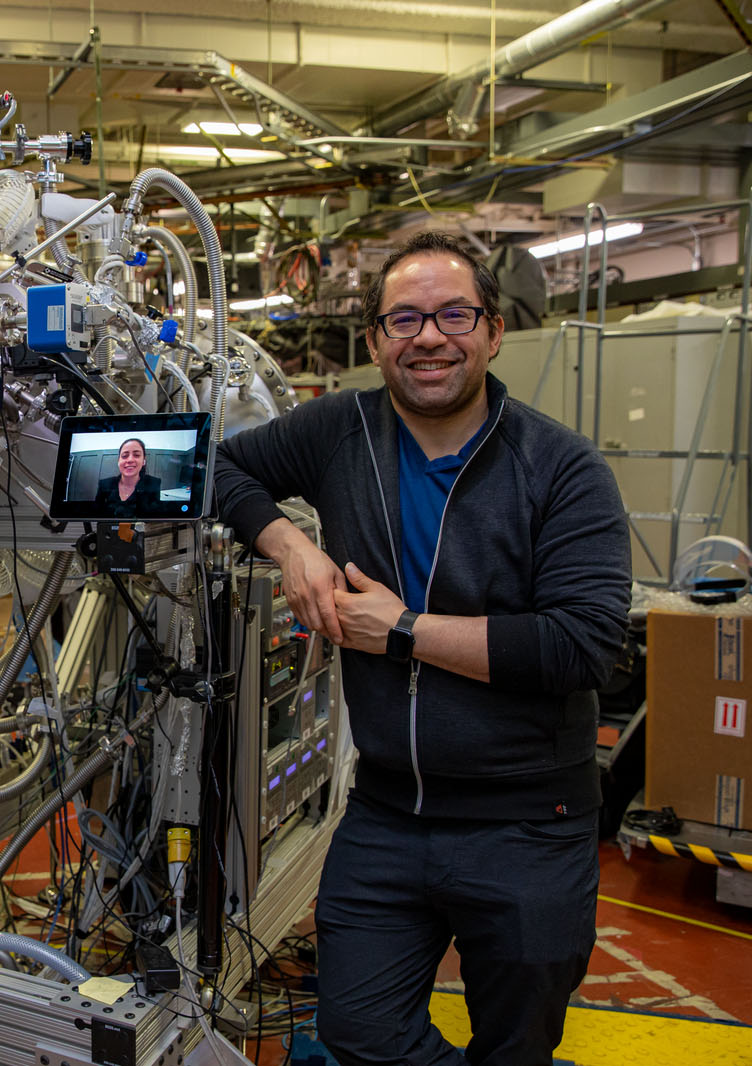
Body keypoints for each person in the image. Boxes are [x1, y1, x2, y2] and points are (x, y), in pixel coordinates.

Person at [211, 231, 630, 1066]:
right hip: (388, 812)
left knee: (517, 1044)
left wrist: (400, 632)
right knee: (358, 1028)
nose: (428, 337)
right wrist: (292, 544)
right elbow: (220, 469)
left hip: (527, 820)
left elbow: (582, 647)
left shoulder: (561, 468)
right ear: (374, 340)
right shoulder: (341, 430)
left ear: (493, 330)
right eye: (404, 319)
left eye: (452, 315)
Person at [93, 437, 163, 511]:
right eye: (124, 456)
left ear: (143, 461)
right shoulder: (104, 484)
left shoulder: (154, 483)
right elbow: (97, 515)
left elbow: (155, 516)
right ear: (118, 461)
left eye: (136, 455)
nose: (130, 460)